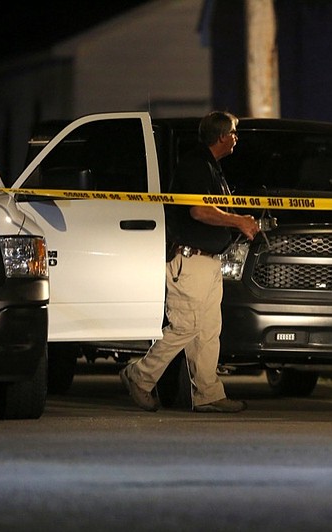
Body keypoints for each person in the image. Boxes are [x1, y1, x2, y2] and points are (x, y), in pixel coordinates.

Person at [120, 111, 260, 413]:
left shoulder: (210, 166)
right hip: (190, 259)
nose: (237, 138)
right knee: (186, 326)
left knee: (208, 330)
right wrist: (238, 221)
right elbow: (198, 211)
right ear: (222, 136)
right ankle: (140, 376)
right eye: (234, 132)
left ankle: (208, 394)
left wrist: (236, 223)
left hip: (207, 261)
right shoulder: (196, 165)